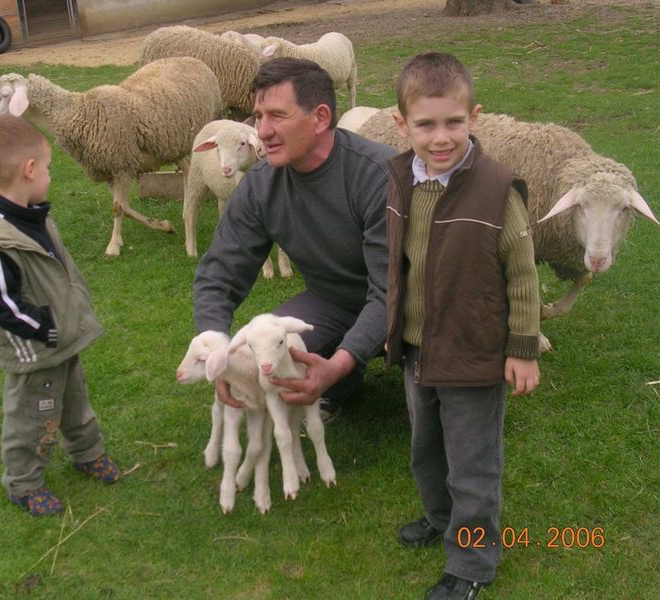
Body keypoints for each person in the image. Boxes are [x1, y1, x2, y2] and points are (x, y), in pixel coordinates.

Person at [385, 52, 541, 599]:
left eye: (453, 122)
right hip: (418, 349)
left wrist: (523, 348)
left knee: (472, 464)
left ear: (474, 117)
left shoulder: (496, 191)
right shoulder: (400, 179)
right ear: (402, 124)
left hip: (473, 351)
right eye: (425, 124)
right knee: (427, 449)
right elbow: (399, 261)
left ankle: (472, 562)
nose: (441, 137)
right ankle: (441, 518)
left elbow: (523, 274)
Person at [193, 58, 397, 420]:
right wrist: (216, 349)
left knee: (437, 376)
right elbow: (218, 275)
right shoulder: (260, 185)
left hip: (410, 304)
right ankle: (342, 381)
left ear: (320, 118)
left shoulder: (378, 176)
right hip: (331, 301)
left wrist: (339, 363)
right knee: (255, 357)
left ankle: (403, 372)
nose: (262, 131)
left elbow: (389, 291)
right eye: (259, 116)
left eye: (277, 116)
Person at [0, 115, 121, 516]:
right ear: (29, 170)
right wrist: (43, 327)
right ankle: (23, 482)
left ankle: (87, 452)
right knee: (31, 416)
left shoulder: (31, 215)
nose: (49, 175)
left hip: (61, 339)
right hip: (36, 350)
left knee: (75, 400)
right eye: (47, 167)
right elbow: (1, 303)